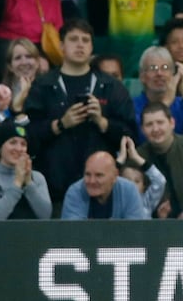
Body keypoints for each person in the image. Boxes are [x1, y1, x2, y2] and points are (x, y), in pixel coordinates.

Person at [24, 19, 136, 207]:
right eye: (73, 39)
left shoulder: (111, 86)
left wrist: (102, 123)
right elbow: (29, 137)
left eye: (85, 40)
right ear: (61, 46)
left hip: (103, 194)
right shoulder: (43, 85)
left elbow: (131, 136)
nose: (80, 44)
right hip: (54, 190)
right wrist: (60, 125)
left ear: (92, 47)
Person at [132, 46, 183, 143]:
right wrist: (166, 103)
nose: (159, 73)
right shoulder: (133, 106)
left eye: (165, 68)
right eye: (153, 68)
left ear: (173, 73)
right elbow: (142, 139)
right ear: (142, 76)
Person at [0, 119, 51, 219]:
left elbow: (45, 215)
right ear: (0, 148)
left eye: (23, 144)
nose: (18, 149)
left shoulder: (37, 178)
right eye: (13, 142)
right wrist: (17, 183)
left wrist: (28, 182)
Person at [62, 151, 147, 219]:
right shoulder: (74, 192)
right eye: (87, 174)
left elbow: (135, 233)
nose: (92, 181)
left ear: (115, 176)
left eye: (99, 175)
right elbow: (73, 235)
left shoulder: (129, 190)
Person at [116, 134, 165, 218]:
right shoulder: (114, 199)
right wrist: (120, 159)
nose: (132, 185)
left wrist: (136, 157)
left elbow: (160, 181)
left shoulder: (147, 201)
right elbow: (107, 179)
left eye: (137, 181)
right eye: (127, 180)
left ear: (143, 186)